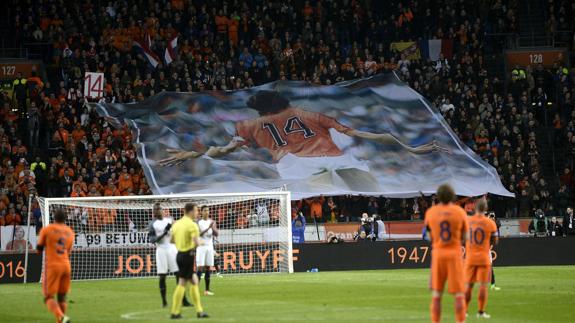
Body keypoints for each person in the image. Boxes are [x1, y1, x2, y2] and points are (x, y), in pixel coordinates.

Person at [158, 91, 447, 190]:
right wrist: (409, 148)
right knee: (370, 187)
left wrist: (189, 154)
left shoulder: (249, 125)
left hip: (293, 165)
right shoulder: (307, 113)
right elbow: (370, 135)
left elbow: (220, 151)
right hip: (334, 157)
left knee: (317, 188)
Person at [424, 184, 468, 323]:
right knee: (459, 295)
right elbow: (466, 237)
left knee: (437, 294)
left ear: (438, 196)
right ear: (452, 196)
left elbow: (429, 236)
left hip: (438, 254)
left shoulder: (431, 212)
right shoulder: (459, 212)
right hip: (454, 254)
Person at [170, 203, 208, 319]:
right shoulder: (192, 225)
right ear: (190, 211)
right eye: (196, 211)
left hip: (179, 255)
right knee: (183, 282)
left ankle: (199, 311)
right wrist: (201, 242)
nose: (198, 213)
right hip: (188, 255)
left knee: (194, 281)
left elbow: (171, 240)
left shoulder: (176, 224)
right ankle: (175, 312)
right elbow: (196, 242)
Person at [148, 202, 191, 308]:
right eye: (156, 209)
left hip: (172, 249)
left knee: (179, 274)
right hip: (161, 250)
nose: (158, 211)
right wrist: (164, 232)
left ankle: (183, 300)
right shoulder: (152, 224)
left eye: (160, 209)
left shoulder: (170, 220)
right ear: (153, 212)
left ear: (163, 210)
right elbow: (152, 240)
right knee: (162, 276)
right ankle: (164, 302)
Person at [37, 209, 74, 323]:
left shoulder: (47, 229)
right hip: (66, 265)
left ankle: (61, 317)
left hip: (53, 266)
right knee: (62, 296)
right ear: (65, 219)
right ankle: (61, 320)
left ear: (54, 218)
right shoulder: (70, 232)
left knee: (48, 297)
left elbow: (39, 249)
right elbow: (69, 251)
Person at [464, 199, 498, 319]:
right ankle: (481, 311)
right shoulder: (490, 223)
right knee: (483, 285)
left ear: (475, 208)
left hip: (470, 257)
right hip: (484, 257)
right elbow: (495, 241)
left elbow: (462, 238)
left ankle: (465, 311)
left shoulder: (468, 221)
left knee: (469, 285)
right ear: (485, 209)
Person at [196, 206, 219, 296]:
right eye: (205, 210)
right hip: (201, 247)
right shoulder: (198, 222)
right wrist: (207, 228)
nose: (207, 212)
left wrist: (212, 228)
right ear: (201, 212)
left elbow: (217, 233)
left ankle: (207, 290)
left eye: (208, 210)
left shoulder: (212, 222)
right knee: (200, 268)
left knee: (208, 268)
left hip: (210, 247)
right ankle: (195, 289)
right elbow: (197, 234)